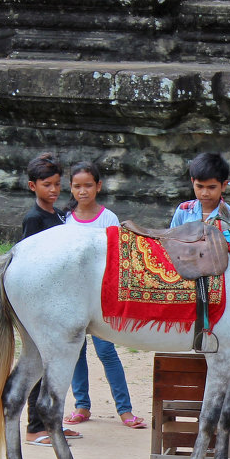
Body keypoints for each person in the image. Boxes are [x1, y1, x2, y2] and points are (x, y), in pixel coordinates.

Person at [62, 161, 146, 430]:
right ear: (71, 188)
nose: (83, 191)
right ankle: (81, 405)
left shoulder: (108, 219)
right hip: (73, 295)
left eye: (88, 185)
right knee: (76, 352)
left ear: (98, 186)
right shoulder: (65, 219)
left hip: (100, 297)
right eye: (77, 186)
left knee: (107, 352)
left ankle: (125, 410)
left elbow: (116, 260)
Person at [21, 152, 83, 447]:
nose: (54, 190)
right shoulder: (34, 219)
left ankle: (53, 422)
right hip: (42, 301)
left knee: (59, 364)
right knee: (41, 364)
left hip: (62, 299)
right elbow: (29, 262)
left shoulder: (59, 215)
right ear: (33, 186)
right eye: (47, 184)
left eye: (57, 184)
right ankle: (35, 427)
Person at [169, 152, 230, 227]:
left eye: (211, 187)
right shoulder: (183, 210)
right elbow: (171, 237)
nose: (205, 193)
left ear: (223, 185)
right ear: (192, 182)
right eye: (199, 186)